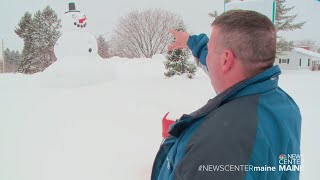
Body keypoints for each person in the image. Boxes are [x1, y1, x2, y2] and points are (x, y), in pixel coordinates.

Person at [151, 10, 301, 180]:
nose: (207, 57)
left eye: (209, 49)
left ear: (225, 60)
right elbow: (219, 65)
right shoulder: (284, 105)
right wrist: (190, 41)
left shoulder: (215, 148)